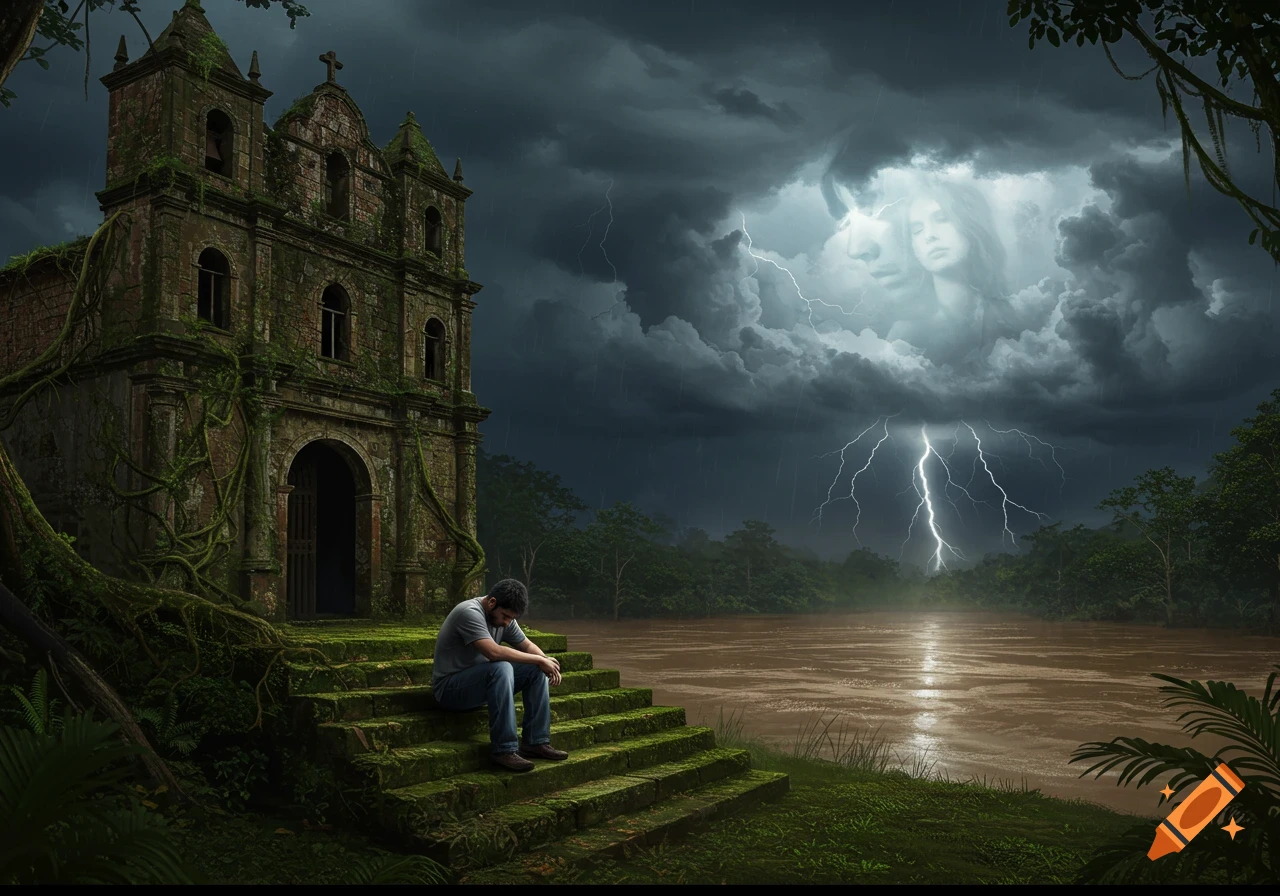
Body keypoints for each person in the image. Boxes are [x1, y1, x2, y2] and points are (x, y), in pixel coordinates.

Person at [431, 578, 567, 772]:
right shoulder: (469, 612)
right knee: (502, 667)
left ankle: (536, 742)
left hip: (479, 684)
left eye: (511, 618)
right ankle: (504, 750)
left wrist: (546, 662)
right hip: (450, 690)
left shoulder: (504, 618)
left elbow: (527, 645)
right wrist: (538, 660)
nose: (506, 623)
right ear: (492, 602)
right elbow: (493, 652)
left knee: (535, 670)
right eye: (505, 616)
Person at [900, 178, 1018, 368]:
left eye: (942, 219)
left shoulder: (1009, 316)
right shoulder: (906, 335)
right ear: (913, 248)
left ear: (971, 225)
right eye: (917, 230)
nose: (929, 235)